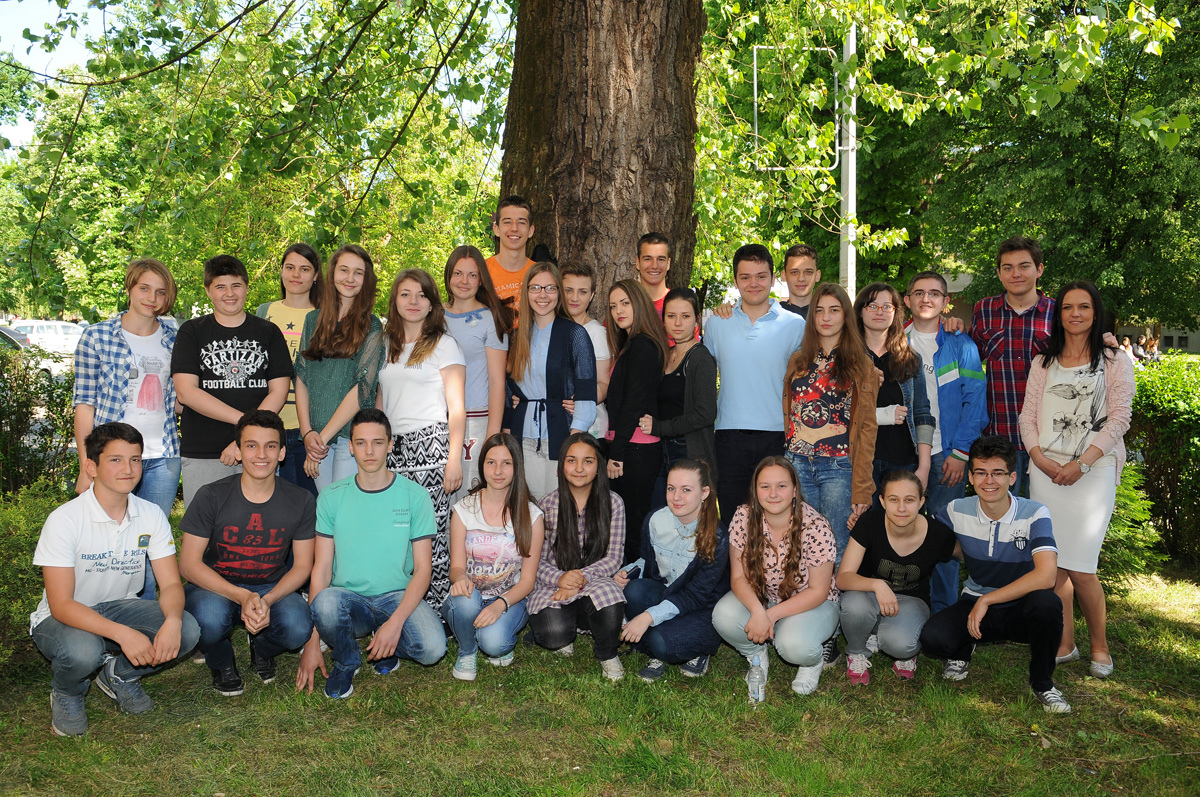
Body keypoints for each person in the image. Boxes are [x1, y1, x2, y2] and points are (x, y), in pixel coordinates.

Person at [30, 423, 200, 737]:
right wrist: (124, 634)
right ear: (91, 467)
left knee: (187, 629)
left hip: (120, 607)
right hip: (64, 616)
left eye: (135, 459)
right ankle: (67, 692)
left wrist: (173, 621)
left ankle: (119, 675)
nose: (128, 469)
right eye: (116, 460)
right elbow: (61, 605)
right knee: (84, 651)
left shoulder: (151, 514)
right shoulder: (64, 520)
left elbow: (171, 585)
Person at [1019, 281, 1134, 679]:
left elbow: (1119, 418)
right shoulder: (1043, 362)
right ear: (1059, 314)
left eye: (1084, 307)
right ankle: (1065, 644)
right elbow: (1027, 416)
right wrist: (1038, 458)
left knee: (1082, 568)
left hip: (1093, 472)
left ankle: (1100, 645)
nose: (1076, 314)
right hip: (1046, 472)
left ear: (1095, 312)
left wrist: (1082, 464)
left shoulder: (1114, 360)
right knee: (1054, 568)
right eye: (1068, 307)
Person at [295, 409, 447, 699]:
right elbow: (322, 569)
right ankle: (346, 660)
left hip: (397, 596)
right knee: (325, 603)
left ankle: (387, 642)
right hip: (349, 600)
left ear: (390, 445)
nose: (369, 451)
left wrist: (396, 623)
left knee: (433, 649)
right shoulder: (331, 496)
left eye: (377, 442)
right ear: (351, 447)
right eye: (361, 443)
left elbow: (423, 570)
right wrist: (312, 641)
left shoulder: (415, 496)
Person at [919, 435, 1072, 713]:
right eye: (981, 472)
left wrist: (987, 600)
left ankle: (1043, 683)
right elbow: (924, 537)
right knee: (933, 639)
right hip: (976, 603)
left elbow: (1047, 576)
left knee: (1048, 604)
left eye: (998, 473)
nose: (989, 481)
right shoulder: (956, 510)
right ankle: (964, 647)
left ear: (1012, 477)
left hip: (1021, 607)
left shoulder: (1035, 513)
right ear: (971, 477)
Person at [179, 411, 316, 696]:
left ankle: (262, 647)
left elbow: (303, 566)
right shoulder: (211, 495)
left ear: (282, 453)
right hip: (216, 586)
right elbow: (189, 565)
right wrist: (241, 596)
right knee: (206, 621)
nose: (261, 454)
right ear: (239, 451)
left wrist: (268, 600)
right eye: (251, 445)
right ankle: (221, 659)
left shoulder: (301, 500)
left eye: (270, 446)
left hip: (270, 585)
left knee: (297, 628)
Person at [73, 258, 181, 600]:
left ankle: (144, 618)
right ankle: (101, 615)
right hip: (113, 456)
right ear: (130, 288)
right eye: (144, 288)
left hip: (163, 455)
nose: (152, 298)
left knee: (149, 543)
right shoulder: (96, 336)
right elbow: (84, 404)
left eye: (160, 292)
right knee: (106, 540)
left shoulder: (176, 337)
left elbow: (180, 397)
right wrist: (86, 465)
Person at [711, 456, 840, 698]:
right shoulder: (743, 517)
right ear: (755, 490)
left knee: (791, 645)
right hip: (765, 597)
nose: (773, 494)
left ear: (795, 490)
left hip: (812, 603)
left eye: (781, 486)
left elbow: (818, 591)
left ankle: (811, 662)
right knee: (723, 615)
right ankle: (756, 655)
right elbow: (738, 578)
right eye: (765, 486)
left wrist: (769, 616)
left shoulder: (816, 526)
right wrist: (758, 612)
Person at [377, 268, 466, 612]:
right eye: (405, 294)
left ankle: (439, 612)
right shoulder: (386, 344)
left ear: (432, 304)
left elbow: (456, 409)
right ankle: (401, 607)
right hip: (393, 450)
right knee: (397, 529)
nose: (413, 301)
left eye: (421, 295)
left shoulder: (445, 345)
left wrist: (453, 460)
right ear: (395, 301)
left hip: (431, 448)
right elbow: (382, 400)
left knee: (431, 533)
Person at [172, 254, 293, 507]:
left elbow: (279, 392)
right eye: (220, 286)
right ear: (208, 291)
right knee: (204, 523)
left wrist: (248, 439)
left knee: (259, 522)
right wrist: (246, 427)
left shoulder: (268, 332)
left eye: (236, 285)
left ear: (247, 288)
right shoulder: (192, 332)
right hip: (204, 450)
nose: (229, 293)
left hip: (261, 452)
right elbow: (186, 392)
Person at [903, 271, 989, 613]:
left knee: (943, 536)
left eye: (934, 293)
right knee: (897, 532)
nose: (926, 299)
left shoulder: (961, 344)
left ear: (945, 301)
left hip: (947, 454)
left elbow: (975, 401)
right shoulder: (894, 341)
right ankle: (901, 609)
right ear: (907, 299)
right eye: (919, 292)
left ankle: (942, 614)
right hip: (902, 454)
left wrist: (961, 451)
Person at [704, 244, 807, 525]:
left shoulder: (795, 325)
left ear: (773, 279)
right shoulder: (716, 324)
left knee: (778, 519)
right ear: (735, 280)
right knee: (733, 519)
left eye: (761, 276)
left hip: (778, 435)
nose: (754, 283)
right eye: (745, 277)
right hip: (729, 435)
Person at [783, 283, 878, 560]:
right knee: (799, 545)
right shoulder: (798, 360)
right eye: (819, 310)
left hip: (838, 467)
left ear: (846, 316)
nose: (826, 317)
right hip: (796, 463)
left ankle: (837, 592)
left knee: (836, 548)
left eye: (834, 310)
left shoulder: (862, 365)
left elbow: (867, 429)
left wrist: (862, 489)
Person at [835, 470, 958, 684]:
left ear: (921, 502)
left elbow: (968, 554)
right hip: (869, 595)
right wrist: (877, 585)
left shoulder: (938, 533)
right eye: (894, 500)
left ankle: (897, 644)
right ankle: (856, 652)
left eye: (909, 500)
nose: (901, 508)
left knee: (900, 645)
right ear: (882, 501)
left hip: (912, 600)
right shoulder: (869, 523)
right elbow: (843, 578)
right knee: (854, 605)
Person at [442, 433, 546, 680]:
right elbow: (456, 568)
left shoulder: (532, 516)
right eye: (491, 462)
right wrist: (460, 579)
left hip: (510, 598)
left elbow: (527, 581)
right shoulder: (464, 509)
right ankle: (467, 650)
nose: (498, 471)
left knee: (494, 643)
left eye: (506, 463)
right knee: (466, 601)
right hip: (470, 598)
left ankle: (492, 638)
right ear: (482, 465)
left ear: (517, 467)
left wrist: (500, 605)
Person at [616, 459, 728, 682]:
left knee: (661, 643)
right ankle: (654, 637)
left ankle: (697, 648)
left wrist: (648, 616)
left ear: (704, 492)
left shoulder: (716, 536)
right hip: (669, 593)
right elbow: (648, 561)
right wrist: (628, 571)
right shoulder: (655, 520)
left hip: (702, 607)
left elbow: (695, 596)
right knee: (634, 589)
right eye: (671, 488)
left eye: (686, 490)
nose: (676, 497)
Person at [526, 434, 627, 681]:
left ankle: (607, 654)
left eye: (588, 461)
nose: (579, 468)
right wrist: (561, 579)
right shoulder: (546, 505)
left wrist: (580, 578)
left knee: (611, 599)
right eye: (571, 460)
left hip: (596, 580)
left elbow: (614, 558)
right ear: (561, 466)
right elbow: (536, 561)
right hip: (553, 585)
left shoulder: (613, 503)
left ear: (599, 466)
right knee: (553, 634)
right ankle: (569, 627)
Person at [968, 236, 1054, 496]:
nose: (1016, 273)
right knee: (1000, 513)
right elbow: (968, 364)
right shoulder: (984, 310)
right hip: (999, 438)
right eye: (1008, 267)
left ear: (1039, 269)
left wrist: (1105, 341)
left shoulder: (1058, 313)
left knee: (1045, 513)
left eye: (1024, 266)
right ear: (999, 273)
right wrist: (951, 330)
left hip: (1047, 440)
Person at [294, 244, 384, 492]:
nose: (350, 278)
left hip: (350, 439)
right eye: (344, 270)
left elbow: (363, 389)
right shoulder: (312, 320)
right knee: (327, 507)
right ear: (333, 272)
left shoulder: (372, 326)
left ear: (366, 280)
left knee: (344, 508)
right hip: (315, 437)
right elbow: (301, 377)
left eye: (358, 272)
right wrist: (308, 433)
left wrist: (321, 440)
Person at [504, 262, 598, 498]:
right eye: (535, 288)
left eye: (550, 288)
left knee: (558, 508)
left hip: (560, 436)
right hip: (522, 437)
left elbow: (586, 396)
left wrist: (572, 448)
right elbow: (507, 389)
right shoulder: (516, 337)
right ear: (526, 292)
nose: (543, 295)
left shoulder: (575, 334)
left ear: (559, 293)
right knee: (528, 507)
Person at [443, 245, 515, 502]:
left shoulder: (491, 319)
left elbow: (497, 382)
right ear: (448, 276)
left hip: (476, 421)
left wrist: (491, 438)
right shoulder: (433, 316)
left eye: (472, 275)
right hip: (436, 420)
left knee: (470, 500)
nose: (464, 281)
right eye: (458, 273)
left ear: (481, 279)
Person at [604, 279, 669, 562]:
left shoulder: (643, 345)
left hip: (635, 449)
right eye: (613, 306)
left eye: (625, 303)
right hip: (629, 446)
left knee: (631, 527)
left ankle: (633, 583)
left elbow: (633, 403)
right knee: (624, 524)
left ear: (639, 303)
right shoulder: (631, 344)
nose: (618, 311)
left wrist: (616, 454)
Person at [638, 287, 719, 512]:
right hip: (660, 448)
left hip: (688, 451)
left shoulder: (700, 358)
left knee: (688, 519)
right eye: (671, 316)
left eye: (685, 316)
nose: (677, 323)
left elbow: (705, 414)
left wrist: (660, 427)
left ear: (697, 319)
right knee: (658, 516)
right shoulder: (666, 354)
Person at [853, 282, 935, 494]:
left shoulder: (910, 359)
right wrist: (883, 415)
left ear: (895, 312)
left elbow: (922, 414)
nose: (880, 312)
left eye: (887, 306)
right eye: (872, 306)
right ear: (860, 311)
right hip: (859, 464)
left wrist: (924, 467)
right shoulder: (848, 359)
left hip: (903, 463)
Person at [256, 243, 323, 497]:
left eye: (304, 269)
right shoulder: (265, 311)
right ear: (282, 271)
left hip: (309, 428)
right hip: (269, 425)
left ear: (315, 276)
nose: (296, 274)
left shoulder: (324, 316)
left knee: (308, 504)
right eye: (290, 267)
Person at [560, 262, 611, 438]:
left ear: (592, 295)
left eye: (582, 292)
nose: (574, 298)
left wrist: (582, 401)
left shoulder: (596, 332)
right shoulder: (549, 329)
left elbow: (604, 383)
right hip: (555, 423)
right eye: (568, 290)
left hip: (591, 429)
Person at [487, 195, 537, 304]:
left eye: (521, 222)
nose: (514, 228)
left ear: (530, 231)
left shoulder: (539, 274)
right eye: (507, 222)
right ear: (496, 229)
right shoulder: (481, 272)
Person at [779, 244, 821, 318]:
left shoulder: (828, 317)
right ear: (784, 275)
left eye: (808, 272)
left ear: (817, 276)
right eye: (794, 272)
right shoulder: (774, 317)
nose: (801, 279)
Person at [636, 232, 672, 315]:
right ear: (637, 263)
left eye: (661, 259)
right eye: (648, 259)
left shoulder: (680, 305)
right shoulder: (624, 307)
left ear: (668, 264)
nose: (654, 266)